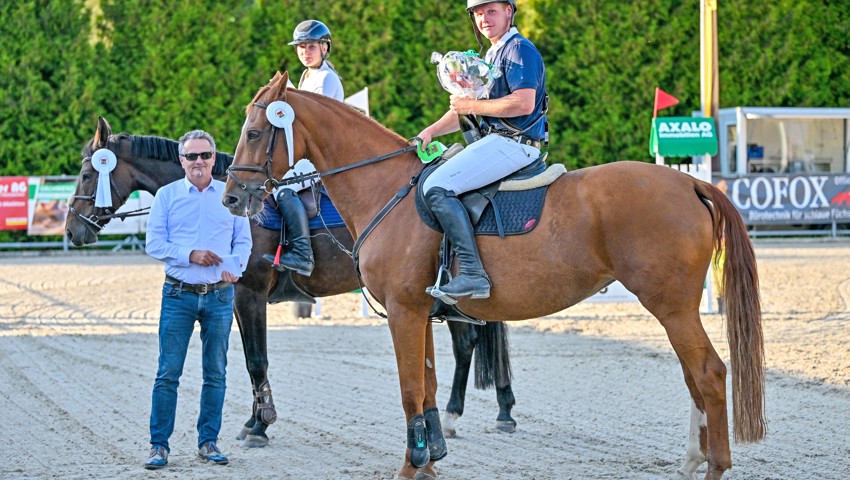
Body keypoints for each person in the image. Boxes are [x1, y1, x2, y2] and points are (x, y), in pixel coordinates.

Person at [417, 0, 548, 299]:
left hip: (514, 143)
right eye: (478, 14)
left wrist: (471, 105)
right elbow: (467, 109)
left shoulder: (518, 49)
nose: (484, 19)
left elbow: (524, 103)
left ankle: (474, 275)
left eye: (491, 11)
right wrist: (430, 131)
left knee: (436, 187)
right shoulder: (492, 53)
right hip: (495, 141)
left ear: (508, 12)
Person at [143, 130, 252, 469]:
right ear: (181, 160)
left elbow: (243, 242)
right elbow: (153, 244)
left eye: (205, 155)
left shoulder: (229, 196)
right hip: (178, 294)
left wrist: (236, 269)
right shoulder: (167, 195)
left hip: (220, 295)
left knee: (216, 372)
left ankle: (208, 442)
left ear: (214, 158)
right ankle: (159, 446)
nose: (199, 161)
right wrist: (190, 254)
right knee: (167, 373)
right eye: (192, 156)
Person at [263, 19, 344, 275]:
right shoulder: (309, 75)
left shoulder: (326, 79)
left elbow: (310, 122)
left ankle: (302, 254)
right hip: (307, 151)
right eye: (300, 48)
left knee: (283, 188)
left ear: (324, 47)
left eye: (310, 47)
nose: (305, 52)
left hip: (322, 153)